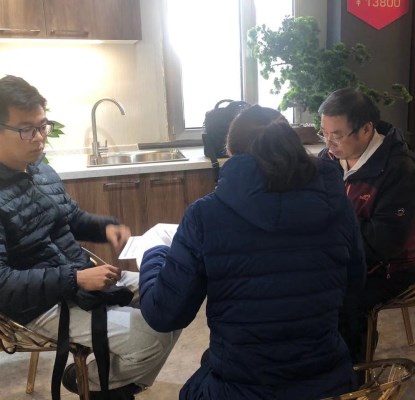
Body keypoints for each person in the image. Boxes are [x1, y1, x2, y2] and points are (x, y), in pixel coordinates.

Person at [0, 75, 180, 400]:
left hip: (77, 280)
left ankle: (108, 384)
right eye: (27, 129)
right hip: (35, 306)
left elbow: (70, 218)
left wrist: (104, 228)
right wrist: (75, 278)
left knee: (175, 294)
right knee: (153, 337)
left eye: (43, 126)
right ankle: (95, 384)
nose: (40, 138)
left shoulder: (39, 170)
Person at [139, 105, 365, 399]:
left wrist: (153, 254)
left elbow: (163, 314)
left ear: (232, 153)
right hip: (327, 384)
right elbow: (354, 289)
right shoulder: (336, 204)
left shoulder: (206, 215)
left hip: (239, 388)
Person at [318, 87, 415, 363]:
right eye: (324, 133)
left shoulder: (398, 171)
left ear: (366, 129)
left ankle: (354, 372)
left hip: (393, 268)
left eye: (337, 135)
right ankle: (318, 362)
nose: (329, 143)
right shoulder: (329, 160)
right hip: (344, 256)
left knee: (339, 298)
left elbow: (383, 243)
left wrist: (328, 235)